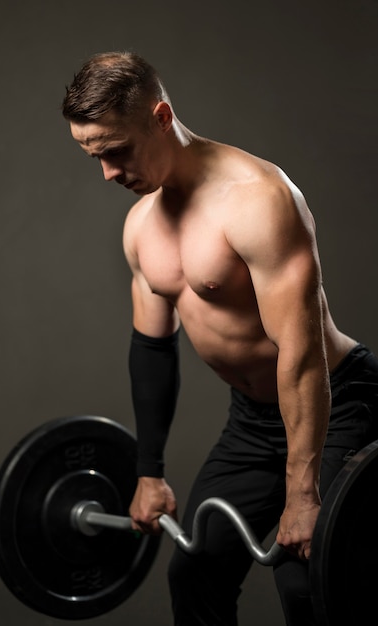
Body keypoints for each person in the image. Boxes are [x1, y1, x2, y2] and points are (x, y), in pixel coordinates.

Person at [62, 51, 378, 626]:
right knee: (195, 571)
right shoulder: (140, 228)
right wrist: (149, 473)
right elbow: (152, 351)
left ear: (161, 117)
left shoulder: (258, 200)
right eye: (93, 156)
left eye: (116, 151)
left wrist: (302, 492)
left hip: (336, 401)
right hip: (253, 421)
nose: (107, 173)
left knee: (307, 577)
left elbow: (302, 357)